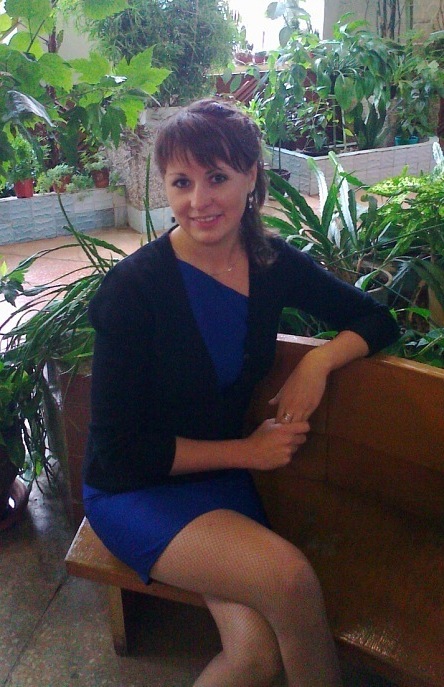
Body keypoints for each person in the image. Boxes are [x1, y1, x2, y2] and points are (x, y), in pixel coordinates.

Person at [82, 98, 400, 687]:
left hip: (220, 478)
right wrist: (248, 452)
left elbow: (377, 319)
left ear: (251, 176)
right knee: (289, 578)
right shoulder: (133, 290)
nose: (198, 201)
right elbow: (118, 452)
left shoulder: (269, 262)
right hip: (135, 489)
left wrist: (319, 362)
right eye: (181, 182)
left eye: (217, 178)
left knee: (256, 656)